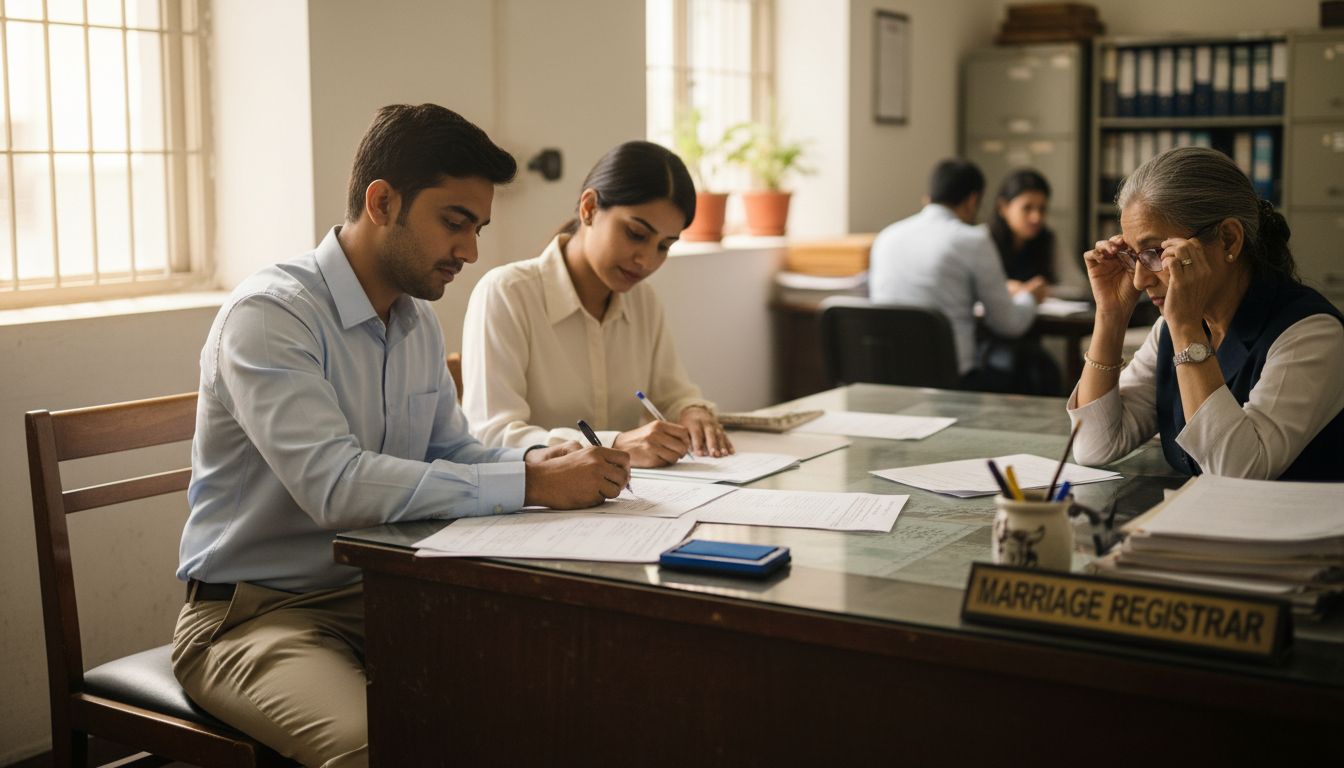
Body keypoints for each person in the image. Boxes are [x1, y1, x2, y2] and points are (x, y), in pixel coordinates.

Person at [173, 104, 631, 768]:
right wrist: (532, 482)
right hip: (255, 618)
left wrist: (540, 458)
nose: (471, 252)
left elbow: (453, 451)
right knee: (387, 748)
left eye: (478, 227)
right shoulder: (272, 316)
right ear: (382, 201)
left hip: (386, 593)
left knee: (558, 685)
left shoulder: (413, 322)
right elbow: (336, 486)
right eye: (455, 223)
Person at [1069, 146, 1344, 480]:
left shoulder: (1311, 334)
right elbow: (1093, 446)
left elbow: (1237, 472)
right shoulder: (1171, 329)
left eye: (1155, 253)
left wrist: (1186, 328)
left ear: (1228, 240)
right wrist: (1111, 315)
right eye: (1134, 256)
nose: (1140, 280)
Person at [462, 140, 732, 467]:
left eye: (664, 246)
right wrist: (614, 444)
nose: (646, 260)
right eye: (635, 233)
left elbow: (673, 394)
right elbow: (492, 435)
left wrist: (692, 412)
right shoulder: (507, 293)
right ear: (589, 208)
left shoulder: (642, 301)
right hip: (536, 508)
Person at [869, 158, 1049, 392]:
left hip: (886, 375)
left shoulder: (886, 237)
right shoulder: (971, 239)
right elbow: (1009, 324)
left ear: (929, 196)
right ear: (972, 200)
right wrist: (1030, 296)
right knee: (1039, 372)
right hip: (951, 381)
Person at [989, 168, 1056, 287]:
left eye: (1042, 209)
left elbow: (1076, 285)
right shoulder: (983, 240)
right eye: (1027, 208)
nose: (1036, 218)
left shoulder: (1049, 240)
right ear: (1003, 208)